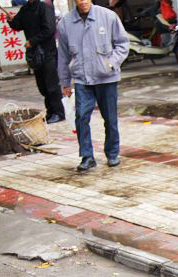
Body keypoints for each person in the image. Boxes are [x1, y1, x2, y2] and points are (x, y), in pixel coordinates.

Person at [57, 0, 129, 172]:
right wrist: (64, 82)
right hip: (82, 79)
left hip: (107, 79)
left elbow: (123, 44)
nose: (83, 2)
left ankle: (112, 153)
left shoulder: (108, 16)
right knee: (81, 117)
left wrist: (111, 64)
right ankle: (87, 156)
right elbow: (63, 56)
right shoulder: (65, 23)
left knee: (110, 118)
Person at [9, 0, 65, 124]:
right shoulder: (25, 9)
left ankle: (58, 113)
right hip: (35, 54)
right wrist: (11, 20)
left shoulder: (44, 8)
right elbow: (18, 25)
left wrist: (32, 41)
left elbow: (49, 29)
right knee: (42, 85)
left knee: (51, 85)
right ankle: (50, 111)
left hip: (47, 52)